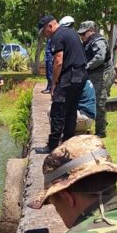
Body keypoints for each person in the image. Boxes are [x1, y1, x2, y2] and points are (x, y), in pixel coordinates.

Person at [37, 14, 87, 153]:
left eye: (44, 32)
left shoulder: (57, 36)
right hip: (81, 75)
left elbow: (58, 61)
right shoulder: (71, 33)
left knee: (57, 110)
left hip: (69, 76)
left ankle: (52, 145)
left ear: (50, 26)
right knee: (71, 110)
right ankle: (67, 143)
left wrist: (53, 83)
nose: (45, 36)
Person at [77, 20, 114, 138]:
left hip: (103, 74)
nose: (82, 36)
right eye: (80, 34)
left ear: (91, 31)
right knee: (93, 99)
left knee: (99, 101)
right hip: (95, 74)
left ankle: (100, 131)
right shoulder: (87, 42)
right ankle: (100, 123)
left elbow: (100, 57)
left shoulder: (98, 41)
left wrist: (86, 66)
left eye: (84, 33)